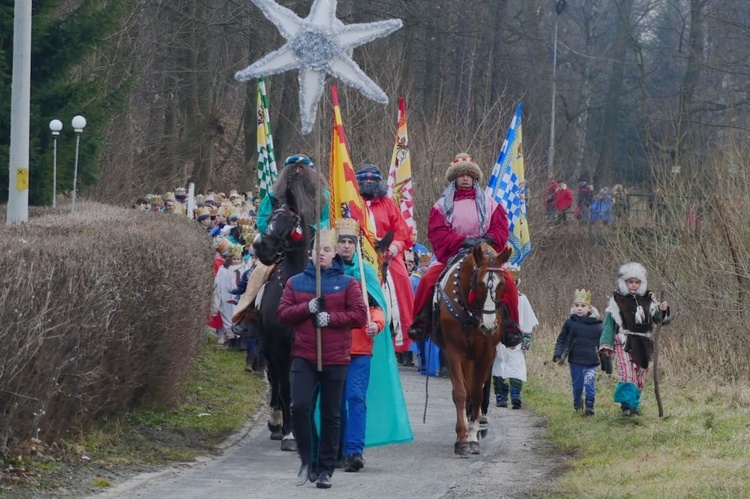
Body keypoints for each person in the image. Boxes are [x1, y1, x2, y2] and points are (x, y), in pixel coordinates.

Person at [278, 228, 367, 489]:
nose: (322, 254)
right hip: (304, 355)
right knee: (300, 407)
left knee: (331, 414)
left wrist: (330, 318)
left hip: (335, 357)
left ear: (334, 253)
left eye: (327, 250)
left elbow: (359, 315)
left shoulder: (348, 283)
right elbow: (283, 314)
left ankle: (326, 468)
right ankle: (308, 459)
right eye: (318, 250)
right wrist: (307, 308)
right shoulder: (296, 282)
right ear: (311, 254)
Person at [409, 152, 518, 342]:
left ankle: (511, 327)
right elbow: (438, 234)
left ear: (474, 177)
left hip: (484, 254)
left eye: (469, 174)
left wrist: (486, 239)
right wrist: (463, 241)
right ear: (455, 178)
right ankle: (421, 323)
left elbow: (501, 229)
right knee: (427, 281)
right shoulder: (441, 206)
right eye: (461, 175)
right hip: (454, 254)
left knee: (507, 281)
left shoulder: (492, 204)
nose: (465, 178)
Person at [334, 219, 386, 473]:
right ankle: (337, 447)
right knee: (335, 400)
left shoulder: (366, 271)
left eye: (349, 242)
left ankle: (354, 451)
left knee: (355, 397)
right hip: (332, 346)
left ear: (355, 246)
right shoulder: (324, 272)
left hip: (359, 347)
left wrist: (376, 323)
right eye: (341, 242)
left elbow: (377, 306)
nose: (345, 246)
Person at [356, 164, 415, 365]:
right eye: (365, 180)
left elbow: (401, 230)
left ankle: (403, 331)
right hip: (358, 251)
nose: (369, 184)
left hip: (387, 252)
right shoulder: (353, 202)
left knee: (402, 279)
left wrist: (395, 246)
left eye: (373, 181)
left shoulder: (388, 203)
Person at [599, 262, 670, 416]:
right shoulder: (617, 300)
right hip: (624, 340)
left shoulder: (649, 299)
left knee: (640, 374)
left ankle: (634, 406)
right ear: (625, 283)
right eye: (630, 282)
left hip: (644, 342)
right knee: (627, 373)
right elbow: (609, 325)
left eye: (637, 282)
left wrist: (662, 309)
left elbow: (659, 319)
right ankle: (626, 405)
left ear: (641, 283)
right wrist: (605, 347)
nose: (634, 285)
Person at [492, 266, 538, 410]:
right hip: (499, 341)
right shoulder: (496, 299)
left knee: (516, 368)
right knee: (498, 367)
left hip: (516, 341)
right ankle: (501, 395)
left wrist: (526, 339)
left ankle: (515, 394)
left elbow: (527, 320)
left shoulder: (522, 299)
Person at [553, 289, 603, 415]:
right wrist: (558, 353)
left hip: (591, 359)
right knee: (578, 385)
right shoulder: (570, 323)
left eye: (583, 306)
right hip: (575, 359)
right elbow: (562, 338)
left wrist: (605, 357)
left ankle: (590, 407)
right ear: (573, 307)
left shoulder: (597, 325)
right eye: (576, 306)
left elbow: (602, 343)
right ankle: (577, 405)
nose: (579, 309)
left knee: (590, 382)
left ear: (589, 308)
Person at [256, 154, 329, 234]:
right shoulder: (273, 196)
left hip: (314, 242)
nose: (297, 171)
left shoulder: (323, 196)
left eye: (302, 168)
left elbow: (330, 220)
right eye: (292, 168)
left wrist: (312, 230)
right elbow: (263, 222)